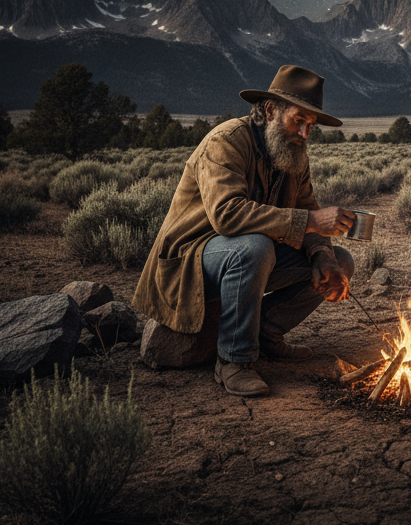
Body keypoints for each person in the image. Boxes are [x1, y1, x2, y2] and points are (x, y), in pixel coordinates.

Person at [132, 65, 355, 397]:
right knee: (255, 248)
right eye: (299, 121)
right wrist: (310, 222)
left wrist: (322, 255)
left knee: (340, 259)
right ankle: (233, 360)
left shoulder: (294, 156)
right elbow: (228, 216)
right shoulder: (226, 141)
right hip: (190, 260)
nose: (305, 133)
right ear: (270, 111)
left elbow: (307, 208)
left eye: (311, 126)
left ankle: (266, 333)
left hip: (243, 256)